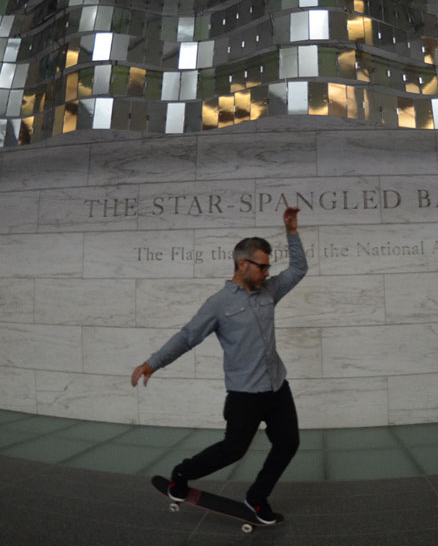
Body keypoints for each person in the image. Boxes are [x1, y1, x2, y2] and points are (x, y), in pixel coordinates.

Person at [130, 207, 306, 524]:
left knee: (288, 443)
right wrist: (152, 363)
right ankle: (181, 474)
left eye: (269, 267)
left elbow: (299, 270)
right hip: (244, 393)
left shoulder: (270, 291)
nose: (268, 273)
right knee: (233, 450)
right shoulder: (218, 305)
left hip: (277, 387)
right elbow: (187, 337)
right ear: (243, 264)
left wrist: (292, 232)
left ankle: (256, 499)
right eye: (263, 267)